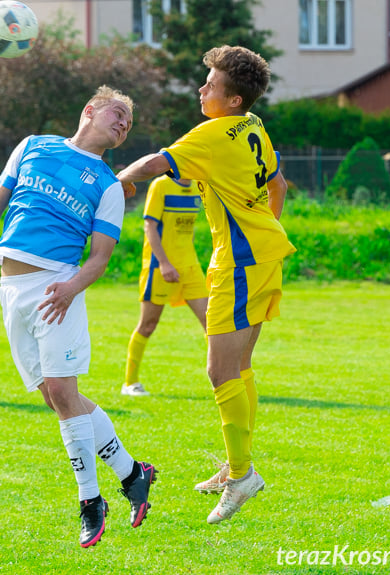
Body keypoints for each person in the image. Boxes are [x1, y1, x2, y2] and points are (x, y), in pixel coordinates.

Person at [0, 86, 156, 548]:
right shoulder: (33, 146)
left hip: (58, 286)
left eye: (128, 124)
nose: (122, 125)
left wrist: (72, 288)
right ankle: (133, 472)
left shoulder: (109, 185)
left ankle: (90, 501)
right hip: (10, 288)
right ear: (89, 111)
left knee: (62, 390)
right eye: (117, 114)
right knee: (54, 399)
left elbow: (100, 256)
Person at [116, 46, 296, 525]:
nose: (201, 90)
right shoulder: (253, 123)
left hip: (238, 263)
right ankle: (239, 465)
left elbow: (156, 161)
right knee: (240, 367)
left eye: (210, 85)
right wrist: (262, 227)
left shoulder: (214, 132)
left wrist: (112, 184)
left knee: (220, 372)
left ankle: (241, 475)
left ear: (233, 100)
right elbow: (278, 183)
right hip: (265, 253)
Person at [122, 175, 208, 396]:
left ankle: (224, 380)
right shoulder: (161, 185)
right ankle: (130, 383)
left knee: (213, 324)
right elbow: (149, 226)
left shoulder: (199, 187)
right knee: (148, 325)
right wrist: (164, 263)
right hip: (159, 267)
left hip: (191, 266)